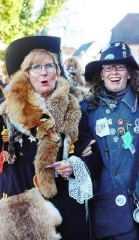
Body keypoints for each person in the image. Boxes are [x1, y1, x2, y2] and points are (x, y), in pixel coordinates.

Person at [0, 36, 102, 240]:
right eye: (36, 67)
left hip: (66, 210)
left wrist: (76, 166)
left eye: (49, 65)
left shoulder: (73, 109)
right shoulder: (6, 113)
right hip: (21, 211)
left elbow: (93, 155)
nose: (44, 72)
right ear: (26, 74)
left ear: (58, 70)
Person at [81, 41, 139, 239]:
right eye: (108, 68)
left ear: (129, 72)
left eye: (120, 67)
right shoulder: (87, 109)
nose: (114, 72)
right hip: (110, 200)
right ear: (101, 74)